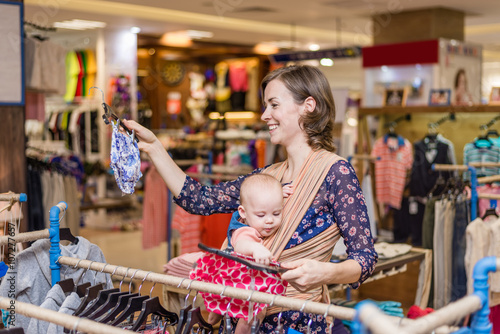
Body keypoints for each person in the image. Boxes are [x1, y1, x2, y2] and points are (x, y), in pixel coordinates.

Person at [123, 64, 378, 333]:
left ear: (308, 106)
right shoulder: (269, 175)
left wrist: (326, 273)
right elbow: (200, 199)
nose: (265, 114)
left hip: (292, 322)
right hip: (240, 319)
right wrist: (155, 148)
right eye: (265, 106)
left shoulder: (336, 173)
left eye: (274, 104)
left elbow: (365, 258)